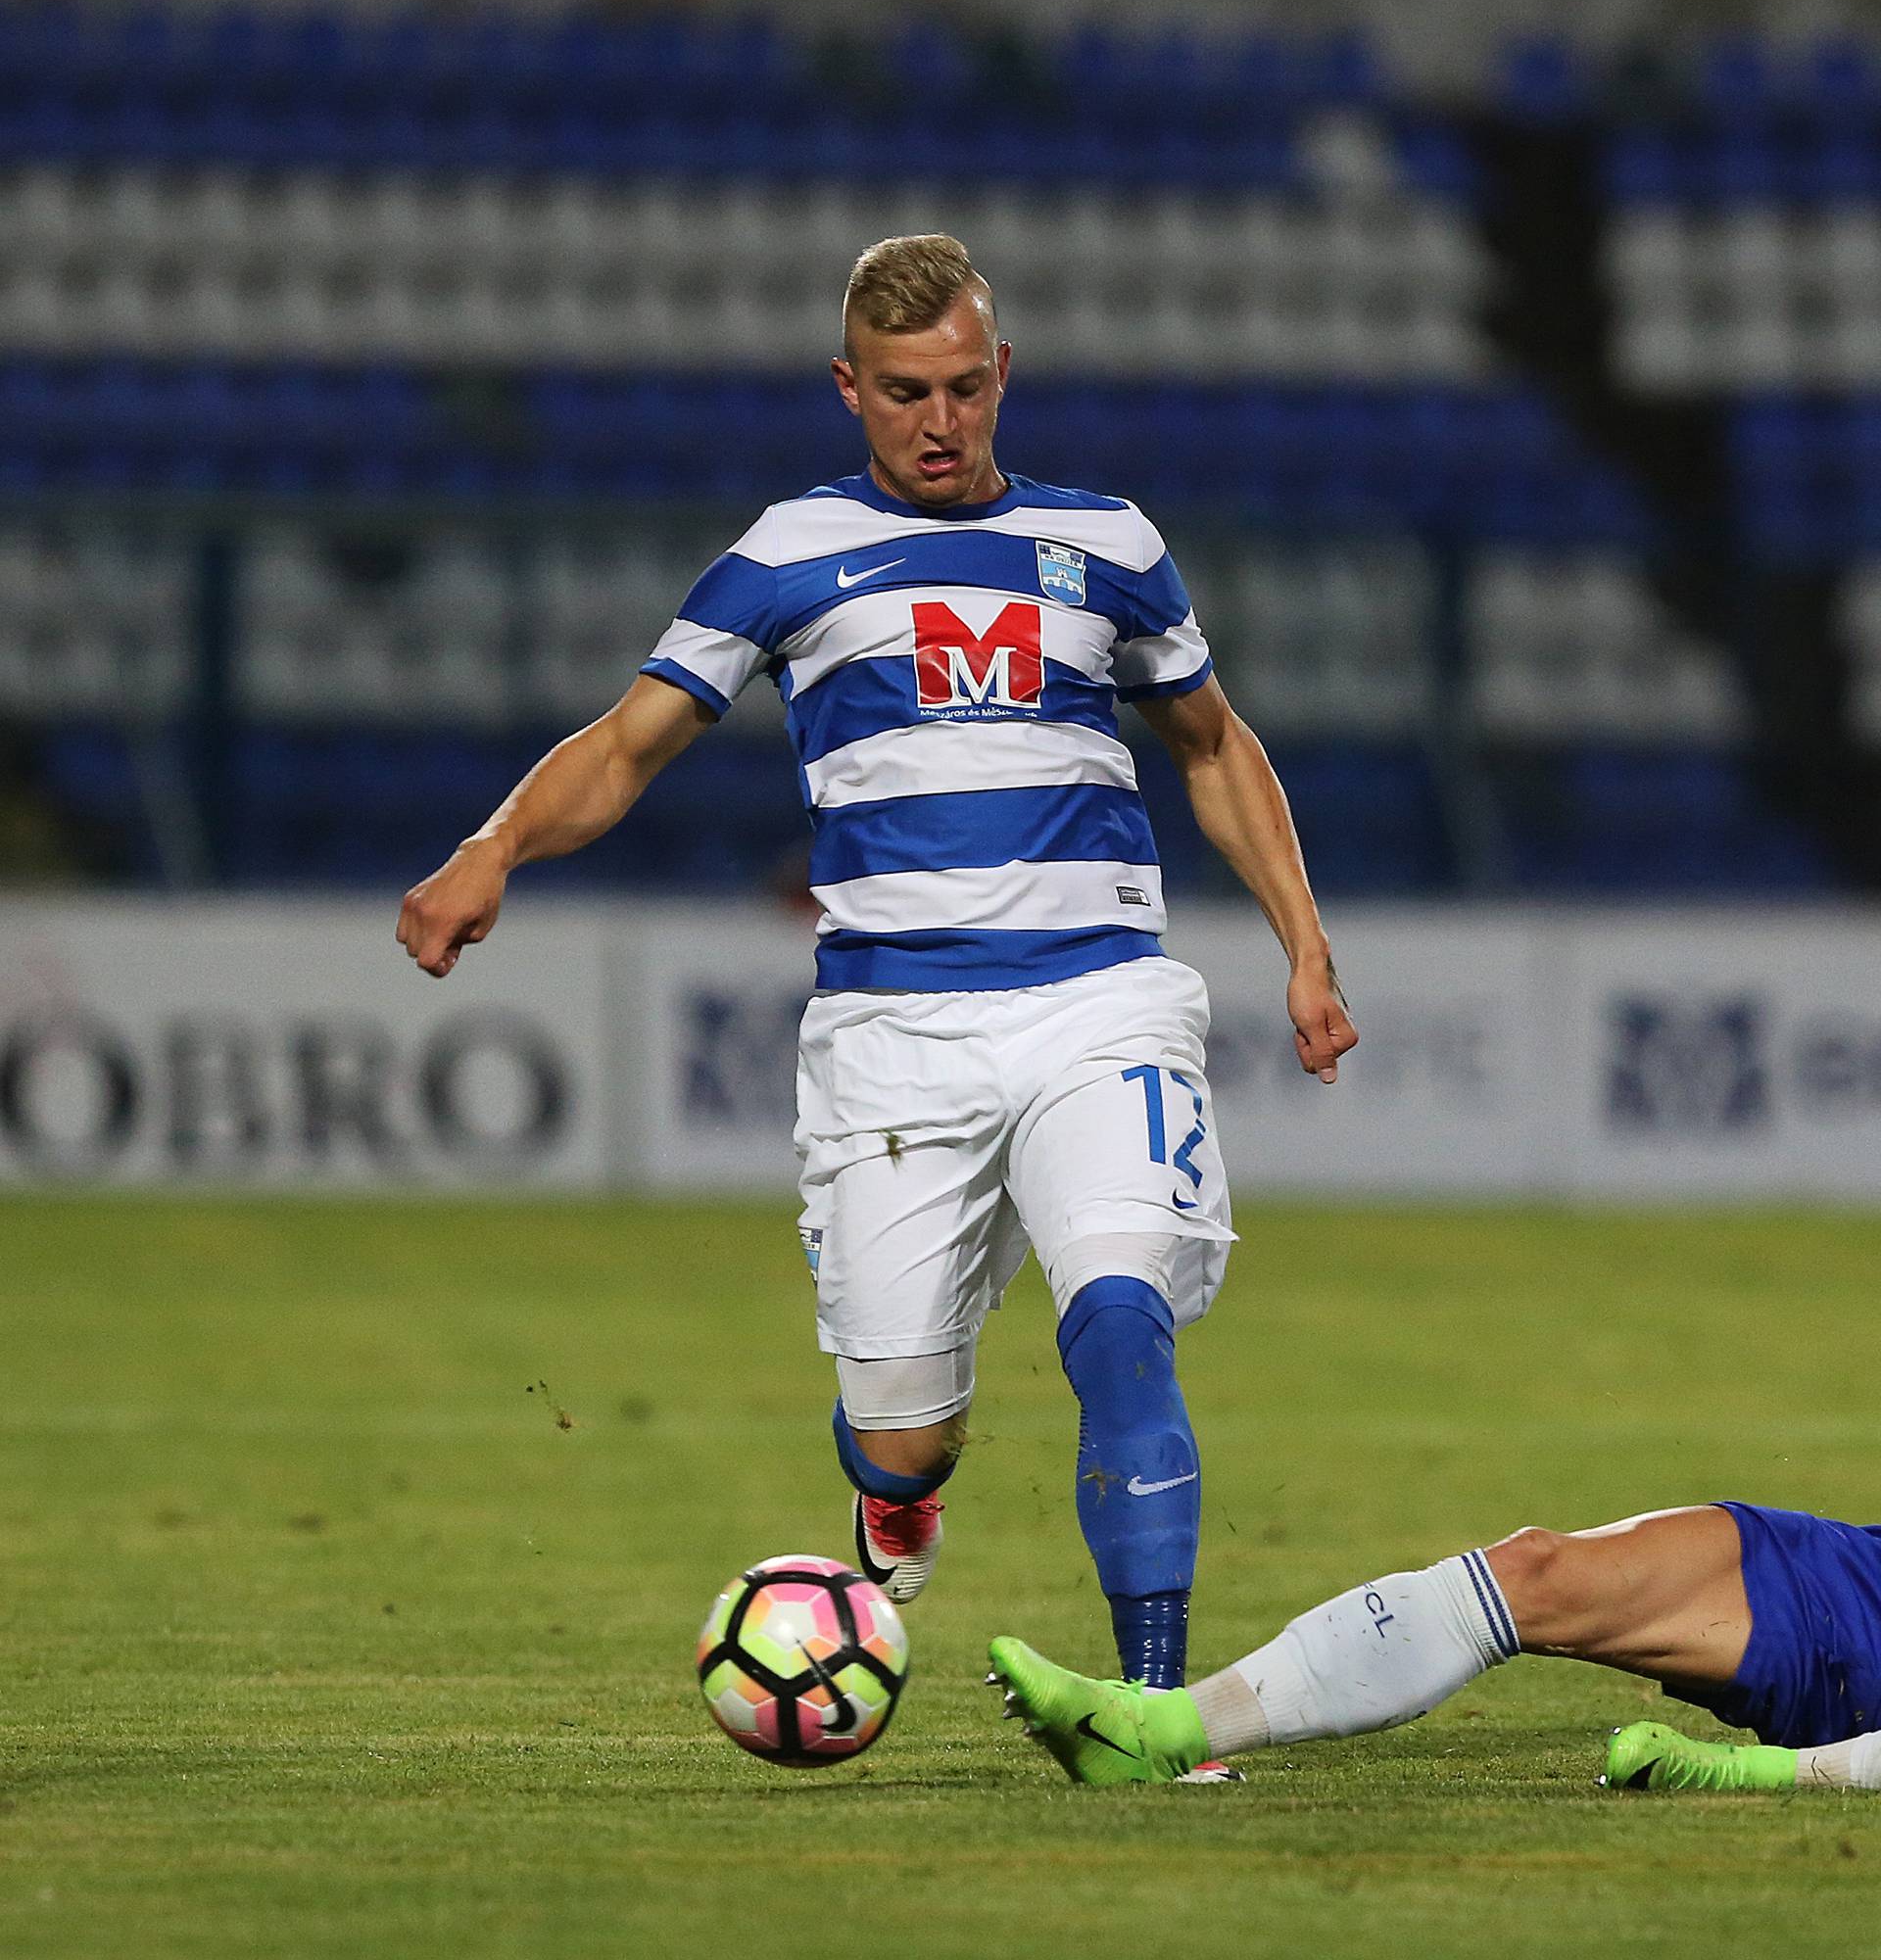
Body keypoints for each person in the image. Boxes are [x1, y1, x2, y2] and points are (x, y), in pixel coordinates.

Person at [398, 233, 1355, 1706]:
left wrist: (1305, 946)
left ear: (1003, 375)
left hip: (1098, 998)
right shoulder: (784, 558)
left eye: (966, 387)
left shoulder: (1110, 543)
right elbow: (626, 743)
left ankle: (1160, 1708)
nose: (940, 420)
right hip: (892, 1033)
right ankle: (900, 1497)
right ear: (850, 386)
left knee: (1118, 1322)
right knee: (902, 1425)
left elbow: (1216, 749)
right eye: (906, 390)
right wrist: (493, 848)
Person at [988, 1498, 1881, 1792]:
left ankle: (1157, 1733)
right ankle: (1161, 1735)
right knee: (1534, 1572)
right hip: (1855, 1564)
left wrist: (1736, 1775)